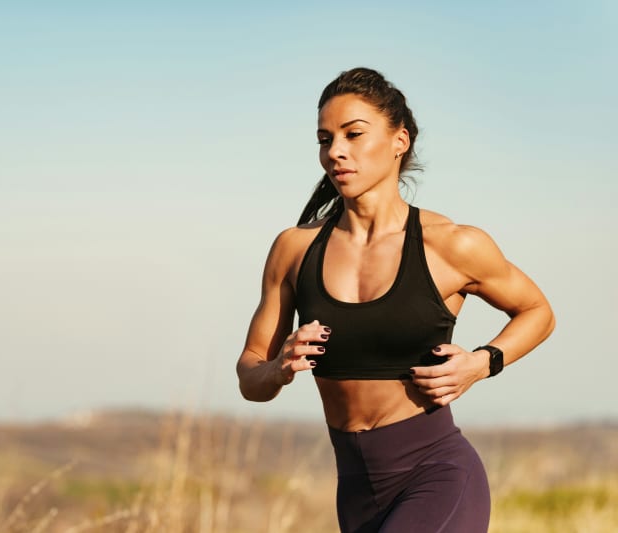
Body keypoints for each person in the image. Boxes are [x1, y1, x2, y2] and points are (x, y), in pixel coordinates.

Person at [235, 67, 555, 533]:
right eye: (325, 139)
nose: (336, 151)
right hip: (356, 491)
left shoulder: (450, 244)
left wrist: (481, 363)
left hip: (438, 476)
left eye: (353, 134)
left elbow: (538, 311)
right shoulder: (294, 250)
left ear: (399, 140)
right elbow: (250, 377)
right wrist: (277, 367)